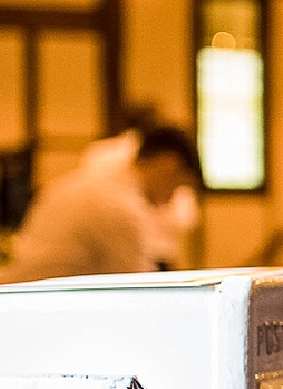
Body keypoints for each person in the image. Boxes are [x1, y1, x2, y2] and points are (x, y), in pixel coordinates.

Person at [9, 126, 202, 281]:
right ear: (169, 165)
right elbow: (138, 288)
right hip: (52, 310)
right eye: (178, 187)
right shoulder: (120, 206)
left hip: (31, 299)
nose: (169, 201)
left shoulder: (85, 184)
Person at [83, 106, 202, 268]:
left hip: (144, 252)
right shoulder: (122, 203)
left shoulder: (101, 154)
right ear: (169, 165)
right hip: (149, 251)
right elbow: (185, 219)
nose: (170, 197)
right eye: (177, 188)